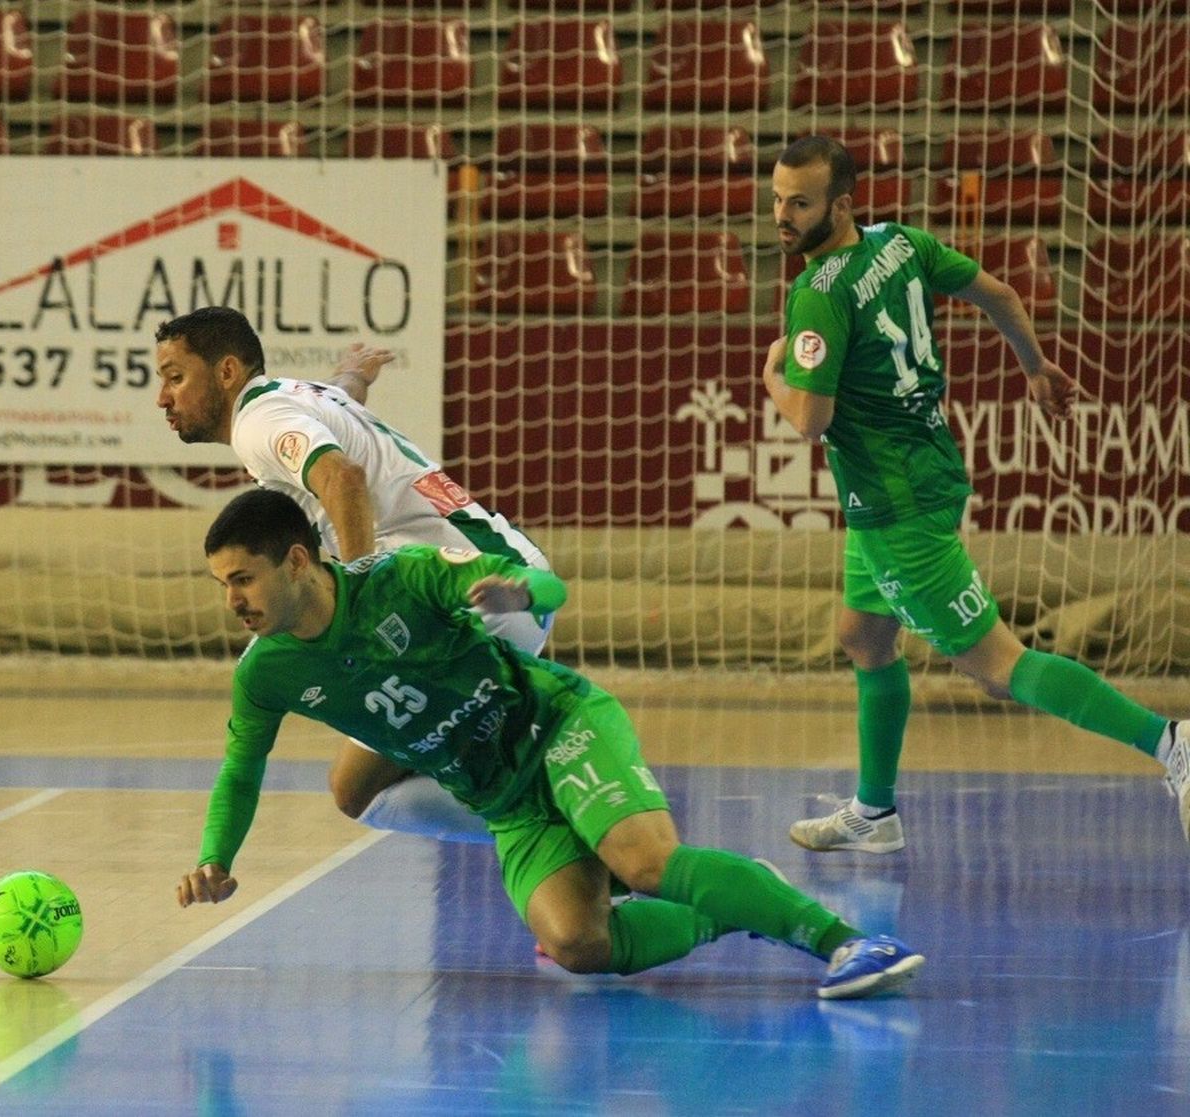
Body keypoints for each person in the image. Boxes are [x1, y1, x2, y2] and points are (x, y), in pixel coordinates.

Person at [176, 488, 925, 999]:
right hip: (504, 797)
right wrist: (216, 856)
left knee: (644, 863)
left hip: (557, 726)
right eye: (220, 585)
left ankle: (846, 942)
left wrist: (519, 595)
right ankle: (732, 900)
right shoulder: (267, 671)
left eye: (242, 578)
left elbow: (545, 584)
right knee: (578, 945)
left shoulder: (399, 578)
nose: (232, 601)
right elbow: (241, 769)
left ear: (298, 560)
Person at [763, 135, 1187, 853]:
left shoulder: (819, 292)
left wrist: (774, 373)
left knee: (997, 667)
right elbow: (1000, 294)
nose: (781, 215)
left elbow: (811, 419)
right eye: (776, 199)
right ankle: (875, 812)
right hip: (915, 475)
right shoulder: (900, 244)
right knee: (862, 635)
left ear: (840, 204)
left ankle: (1169, 740)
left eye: (798, 203)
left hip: (899, 503)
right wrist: (1038, 368)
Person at [156, 305, 552, 845]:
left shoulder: (256, 424)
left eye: (175, 378)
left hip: (471, 604)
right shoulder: (291, 397)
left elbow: (342, 476)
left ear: (226, 372)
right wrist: (354, 376)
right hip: (510, 573)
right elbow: (340, 404)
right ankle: (566, 831)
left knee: (357, 791)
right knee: (491, 753)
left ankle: (552, 833)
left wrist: (366, 596)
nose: (163, 397)